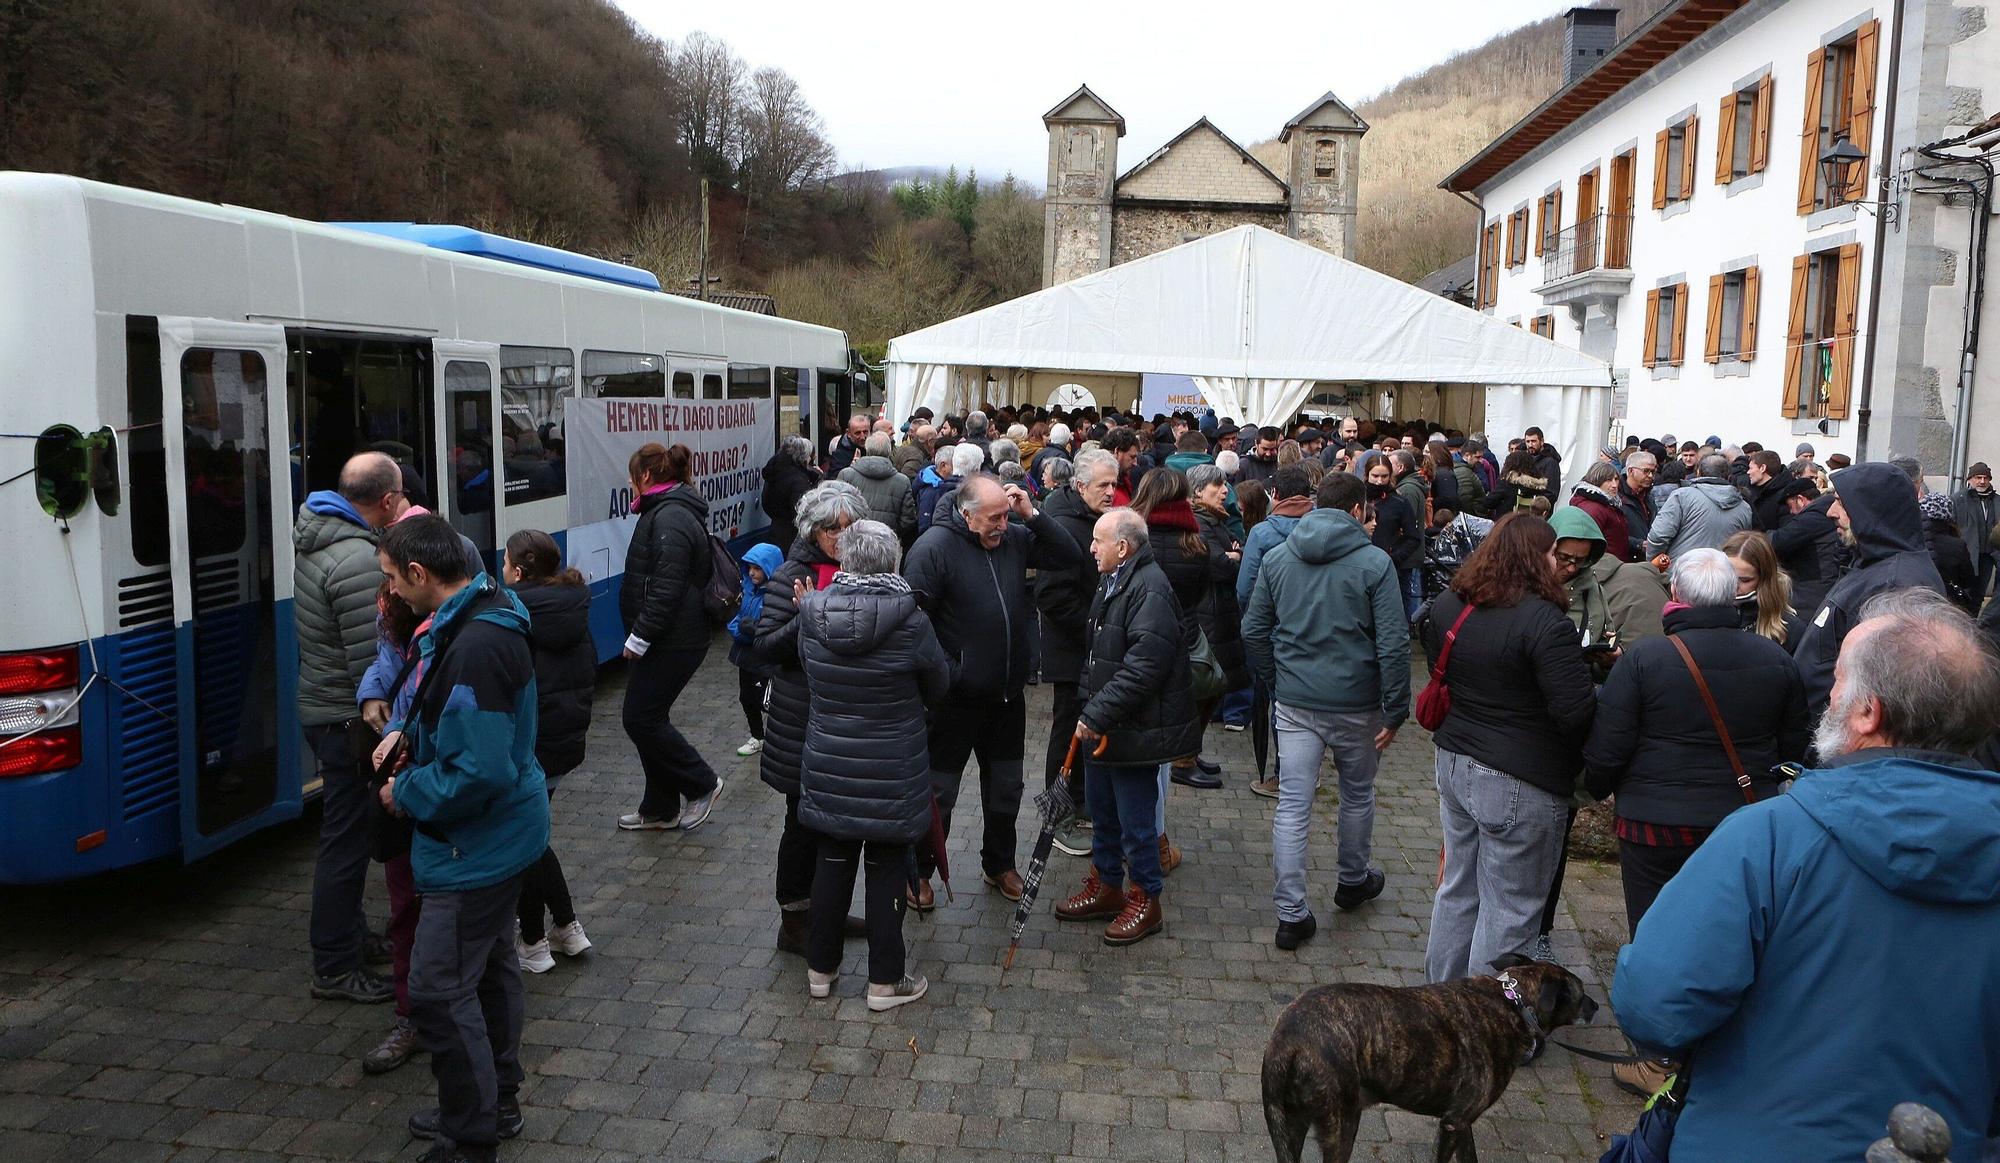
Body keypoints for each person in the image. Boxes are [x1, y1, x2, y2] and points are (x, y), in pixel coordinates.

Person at [1613, 591, 2000, 1160]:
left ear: (1869, 711)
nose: (1828, 693)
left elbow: (1655, 1006)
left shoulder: (1769, 837)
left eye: (1838, 677)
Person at [372, 515, 549, 1163]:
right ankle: (493, 1102)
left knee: (439, 989)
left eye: (391, 581)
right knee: (493, 969)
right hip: (500, 836)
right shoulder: (484, 611)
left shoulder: (475, 645)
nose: (387, 593)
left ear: (420, 575)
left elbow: (479, 768)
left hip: (471, 845)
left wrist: (406, 789)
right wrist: (412, 738)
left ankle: (470, 1133)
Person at [1584, 548, 1806, 937]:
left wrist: (1599, 788)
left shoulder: (1642, 660)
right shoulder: (1776, 658)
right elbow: (1792, 745)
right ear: (1732, 596)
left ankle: (1652, 991)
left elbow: (1609, 746)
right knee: (1726, 929)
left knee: (1654, 927)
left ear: (1674, 594)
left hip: (1654, 822)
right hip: (1741, 820)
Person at [1420, 515, 1596, 983]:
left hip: (1455, 763)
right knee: (1511, 907)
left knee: (1458, 890)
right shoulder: (1544, 621)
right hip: (1518, 779)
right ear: (1534, 557)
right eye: (1554, 553)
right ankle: (1489, 1020)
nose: (1560, 563)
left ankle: (1442, 1005)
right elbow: (1576, 710)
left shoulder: (1451, 604)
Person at [1242, 472, 1408, 951]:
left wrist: (1277, 681)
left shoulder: (1277, 556)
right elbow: (1394, 643)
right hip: (1357, 703)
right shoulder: (1375, 564)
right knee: (1357, 793)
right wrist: (1396, 710)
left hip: (1296, 702)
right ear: (1358, 511)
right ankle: (1352, 879)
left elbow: (1254, 629)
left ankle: (1291, 914)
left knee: (1294, 805)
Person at [904, 475, 1084, 907]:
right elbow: (911, 619)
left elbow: (1070, 557)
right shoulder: (933, 549)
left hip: (1006, 697)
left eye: (1005, 516)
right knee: (939, 793)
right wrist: (948, 672)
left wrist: (1032, 514)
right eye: (994, 518)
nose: (1002, 525)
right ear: (966, 516)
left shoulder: (1015, 538)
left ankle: (999, 864)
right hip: (953, 702)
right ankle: (920, 872)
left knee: (1006, 787)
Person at [795, 521, 952, 1011]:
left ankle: (820, 970)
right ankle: (885, 981)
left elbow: (808, 674)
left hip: (829, 759)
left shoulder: (812, 610)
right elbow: (938, 685)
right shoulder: (911, 618)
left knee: (831, 862)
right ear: (892, 561)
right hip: (892, 765)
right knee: (886, 866)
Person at [1054, 509, 1201, 946]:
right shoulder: (1113, 579)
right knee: (1103, 814)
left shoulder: (1149, 588)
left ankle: (1146, 899)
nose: (1091, 547)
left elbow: (1144, 668)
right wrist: (1088, 708)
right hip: (1106, 726)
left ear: (1123, 547)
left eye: (1098, 541)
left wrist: (1096, 714)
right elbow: (1097, 652)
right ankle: (1107, 886)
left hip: (1135, 729)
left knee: (1136, 820)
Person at [297, 450, 403, 1005]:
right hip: (345, 717)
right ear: (386, 501)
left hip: (321, 708)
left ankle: (352, 937)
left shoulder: (319, 533)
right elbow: (372, 655)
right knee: (345, 844)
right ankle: (335, 965)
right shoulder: (360, 559)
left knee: (346, 837)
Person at [752, 482, 867, 953]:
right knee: (801, 823)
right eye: (830, 528)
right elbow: (763, 646)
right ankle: (794, 919)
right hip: (801, 718)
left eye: (847, 527)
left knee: (835, 823)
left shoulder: (861, 567)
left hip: (845, 720)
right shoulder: (791, 574)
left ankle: (829, 910)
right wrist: (806, 616)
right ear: (812, 530)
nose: (839, 536)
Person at [614, 443, 723, 832]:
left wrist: (639, 636)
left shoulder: (671, 517)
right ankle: (660, 806)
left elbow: (666, 587)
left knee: (641, 719)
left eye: (632, 475)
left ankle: (702, 783)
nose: (629, 482)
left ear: (646, 477)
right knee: (647, 717)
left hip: (675, 638)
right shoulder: (665, 512)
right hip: (668, 636)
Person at [502, 531, 594, 975]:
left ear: (518, 571)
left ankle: (536, 941)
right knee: (533, 836)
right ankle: (565, 927)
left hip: (532, 744)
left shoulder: (512, 614)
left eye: (504, 563)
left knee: (525, 840)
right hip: (565, 740)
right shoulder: (573, 605)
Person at [1790, 462, 1947, 721]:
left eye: (1841, 502)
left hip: (1841, 736)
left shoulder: (1896, 584)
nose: (1830, 512)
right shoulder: (1873, 563)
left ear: (1872, 509)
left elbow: (1882, 687)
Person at [1034, 449, 1118, 856]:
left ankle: (1077, 802)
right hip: (1073, 648)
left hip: (1089, 646)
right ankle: (1058, 812)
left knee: (1083, 727)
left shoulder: (1089, 517)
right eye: (1103, 485)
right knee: (1067, 727)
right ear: (1080, 485)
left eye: (1114, 485)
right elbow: (1050, 595)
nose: (1111, 492)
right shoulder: (1065, 524)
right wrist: (1094, 629)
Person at [1130, 469, 1219, 807]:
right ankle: (1179, 763)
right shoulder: (1195, 543)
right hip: (1182, 634)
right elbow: (1200, 592)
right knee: (1175, 711)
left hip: (1135, 639)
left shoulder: (1131, 537)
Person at [1187, 463, 1249, 783]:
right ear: (1199, 492)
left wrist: (1234, 556)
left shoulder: (1215, 521)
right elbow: (1219, 565)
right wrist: (1232, 557)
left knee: (1211, 689)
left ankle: (1190, 754)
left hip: (1219, 613)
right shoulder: (1200, 523)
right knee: (1202, 688)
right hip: (1207, 615)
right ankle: (1184, 760)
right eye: (1218, 487)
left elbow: (1236, 554)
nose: (1225, 491)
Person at [726, 543, 785, 757]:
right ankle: (757, 736)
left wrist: (745, 629)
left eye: (757, 568)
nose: (752, 572)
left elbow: (765, 629)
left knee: (765, 700)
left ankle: (778, 739)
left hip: (763, 660)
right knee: (746, 697)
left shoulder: (775, 596)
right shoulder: (748, 589)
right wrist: (740, 629)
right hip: (746, 657)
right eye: (750, 567)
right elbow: (739, 619)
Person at [1644, 453, 1752, 560]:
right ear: (1728, 476)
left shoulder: (1682, 496)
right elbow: (1743, 546)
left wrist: (1654, 563)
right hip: (1723, 572)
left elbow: (1658, 536)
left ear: (1698, 472)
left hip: (1682, 570)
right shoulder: (1744, 507)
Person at [1768, 477, 1845, 615]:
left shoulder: (1812, 517)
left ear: (1801, 500)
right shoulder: (1824, 511)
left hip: (1812, 592)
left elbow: (1777, 542)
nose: (1791, 512)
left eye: (1790, 505)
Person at [1363, 456, 1422, 619]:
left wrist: (1393, 557)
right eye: (1375, 476)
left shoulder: (1399, 502)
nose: (1379, 481)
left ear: (1390, 476)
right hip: (1358, 566)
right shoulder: (1358, 499)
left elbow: (1413, 537)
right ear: (1367, 474)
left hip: (1387, 568)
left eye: (1384, 476)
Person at [838, 431, 919, 545]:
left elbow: (836, 511)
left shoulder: (846, 475)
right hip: (886, 543)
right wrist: (892, 534)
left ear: (867, 447)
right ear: (889, 450)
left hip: (852, 541)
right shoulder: (902, 481)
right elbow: (907, 520)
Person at [1721, 529, 1799, 647]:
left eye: (1745, 580)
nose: (1734, 587)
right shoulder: (1702, 617)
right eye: (1727, 576)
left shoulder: (1789, 629)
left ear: (1764, 580)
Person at [1919, 490, 1980, 614]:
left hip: (1915, 601)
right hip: (1947, 604)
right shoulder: (1957, 545)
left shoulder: (1910, 540)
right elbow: (1968, 580)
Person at [761, 435, 820, 551]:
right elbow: (801, 513)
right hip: (792, 537)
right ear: (804, 457)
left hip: (776, 530)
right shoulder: (798, 480)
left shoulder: (775, 473)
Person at [1953, 460, 1998, 601]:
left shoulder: (1997, 501)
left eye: (1985, 478)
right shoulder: (1958, 500)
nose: (1982, 481)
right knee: (1964, 593)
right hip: (1967, 553)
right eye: (1978, 478)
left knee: (1979, 594)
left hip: (1989, 556)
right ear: (1970, 479)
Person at [1616, 451, 1658, 561]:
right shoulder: (1615, 496)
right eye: (1646, 471)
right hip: (1623, 560)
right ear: (1630, 471)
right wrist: (1638, 544)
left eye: (1653, 472)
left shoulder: (1649, 498)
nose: (1650, 476)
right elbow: (1609, 533)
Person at [1485, 449, 1552, 515]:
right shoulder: (1539, 485)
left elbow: (1489, 503)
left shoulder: (1507, 483)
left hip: (1508, 522)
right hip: (1532, 522)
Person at [1742, 450, 1792, 532]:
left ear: (1762, 468)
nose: (1748, 472)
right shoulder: (1748, 490)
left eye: (1751, 468)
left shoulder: (1784, 496)